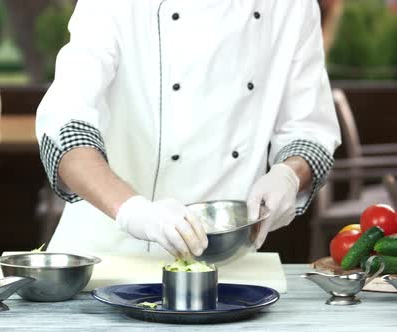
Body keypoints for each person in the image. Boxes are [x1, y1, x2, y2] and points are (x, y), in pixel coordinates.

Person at [35, 1, 342, 260]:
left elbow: (310, 129)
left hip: (222, 263)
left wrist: (288, 176)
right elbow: (66, 126)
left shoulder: (291, 6)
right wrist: (134, 211)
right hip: (109, 258)